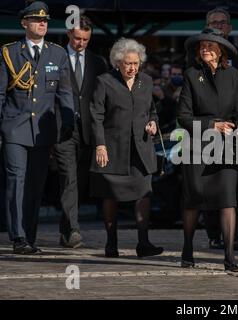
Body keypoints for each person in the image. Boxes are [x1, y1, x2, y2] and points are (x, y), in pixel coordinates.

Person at [0, 1, 74, 254]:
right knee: (16, 180)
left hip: (43, 131)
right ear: (24, 23)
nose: (42, 23)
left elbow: (64, 93)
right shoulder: (9, 53)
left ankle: (29, 236)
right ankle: (18, 236)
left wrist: (68, 124)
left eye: (45, 20)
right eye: (36, 20)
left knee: (35, 184)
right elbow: (0, 94)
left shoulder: (58, 53)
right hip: (14, 128)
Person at [177, 28, 238, 272]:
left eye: (210, 45)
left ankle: (229, 256)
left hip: (227, 146)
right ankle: (187, 249)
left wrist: (237, 127)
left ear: (221, 50)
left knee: (228, 200)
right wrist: (211, 125)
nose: (204, 49)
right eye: (201, 46)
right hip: (197, 145)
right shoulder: (191, 74)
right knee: (193, 200)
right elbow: (183, 117)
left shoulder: (233, 74)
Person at [90, 38, 163, 258]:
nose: (132, 68)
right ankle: (111, 244)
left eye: (136, 63)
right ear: (117, 62)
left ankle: (144, 243)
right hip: (113, 148)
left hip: (141, 149)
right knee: (111, 195)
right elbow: (96, 115)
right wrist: (100, 145)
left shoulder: (147, 81)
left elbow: (152, 111)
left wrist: (153, 123)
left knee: (144, 194)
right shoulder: (104, 81)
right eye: (128, 63)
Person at [54, 15, 108, 248]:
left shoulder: (98, 62)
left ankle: (66, 229)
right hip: (62, 128)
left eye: (85, 39)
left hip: (88, 130)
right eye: (77, 38)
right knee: (69, 179)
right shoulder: (55, 57)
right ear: (68, 34)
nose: (81, 43)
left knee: (80, 181)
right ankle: (73, 230)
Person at [203, 7, 238, 250]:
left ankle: (235, 234)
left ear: (229, 28)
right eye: (214, 23)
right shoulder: (196, 55)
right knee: (211, 183)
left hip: (236, 130)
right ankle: (213, 233)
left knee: (236, 185)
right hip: (207, 130)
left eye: (222, 23)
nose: (219, 26)